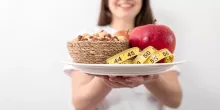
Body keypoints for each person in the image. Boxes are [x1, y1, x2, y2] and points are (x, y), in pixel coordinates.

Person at [63, 0, 182, 110]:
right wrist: (107, 79)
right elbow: (80, 104)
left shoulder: (158, 38)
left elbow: (175, 101)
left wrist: (150, 78)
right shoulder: (86, 38)